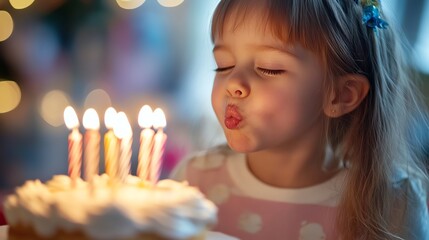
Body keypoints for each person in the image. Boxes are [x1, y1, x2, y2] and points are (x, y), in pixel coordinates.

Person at [171, 0, 429, 239]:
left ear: (341, 95)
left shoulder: (391, 206)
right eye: (223, 64)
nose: (233, 83)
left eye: (270, 67)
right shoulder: (193, 181)